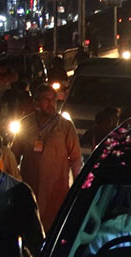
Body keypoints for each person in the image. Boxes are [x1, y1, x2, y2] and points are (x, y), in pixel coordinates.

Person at [13, 83, 83, 227]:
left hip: (56, 191)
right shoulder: (25, 124)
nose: (51, 104)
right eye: (46, 100)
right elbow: (14, 156)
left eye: (54, 100)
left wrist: (78, 187)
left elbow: (76, 159)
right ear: (36, 102)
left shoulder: (65, 126)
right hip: (30, 188)